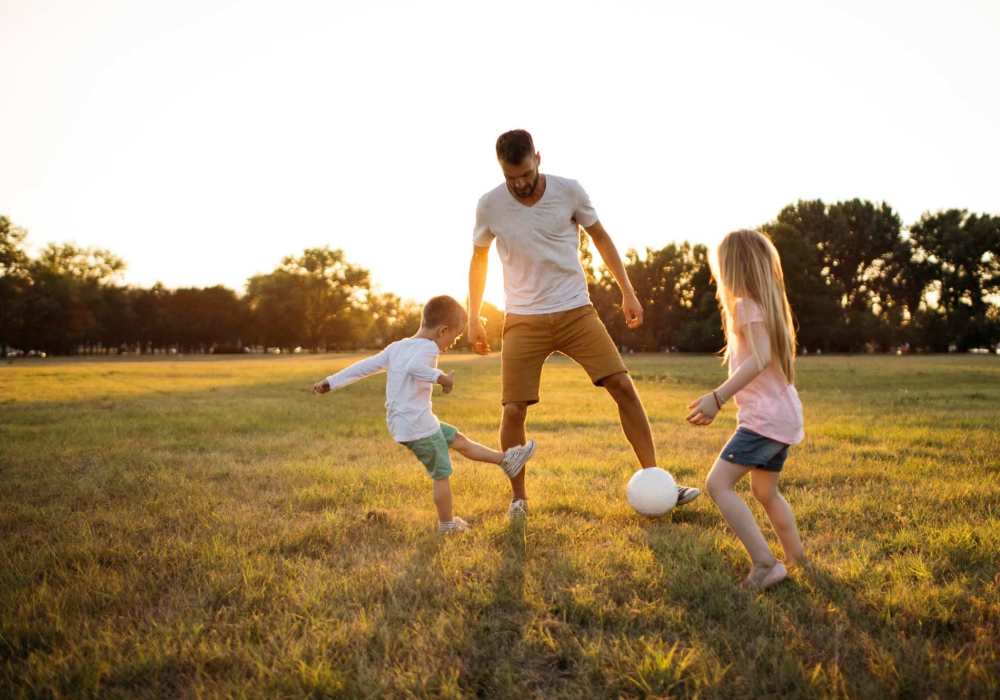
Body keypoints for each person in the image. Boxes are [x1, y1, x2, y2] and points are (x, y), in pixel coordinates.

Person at [467, 129, 700, 520]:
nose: (521, 184)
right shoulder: (489, 205)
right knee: (512, 411)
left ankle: (657, 480)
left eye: (525, 173)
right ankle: (518, 499)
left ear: (538, 158)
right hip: (523, 318)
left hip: (576, 310)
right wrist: (473, 315)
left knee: (623, 386)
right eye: (512, 178)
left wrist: (627, 290)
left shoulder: (569, 191)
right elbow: (478, 259)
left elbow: (601, 238)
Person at [313, 295, 536, 534]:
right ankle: (447, 525)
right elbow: (415, 369)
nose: (454, 341)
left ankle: (506, 461)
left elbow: (365, 366)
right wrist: (442, 378)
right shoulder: (429, 347)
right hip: (417, 425)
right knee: (442, 473)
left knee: (457, 439)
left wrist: (331, 382)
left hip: (408, 422)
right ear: (443, 330)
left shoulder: (397, 347)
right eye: (456, 335)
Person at [686, 229, 806, 590]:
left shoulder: (746, 307)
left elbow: (758, 360)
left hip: (765, 421)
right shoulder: (765, 307)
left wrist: (717, 397)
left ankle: (765, 564)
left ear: (731, 269)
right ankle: (798, 559)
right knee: (766, 493)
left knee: (717, 484)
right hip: (782, 417)